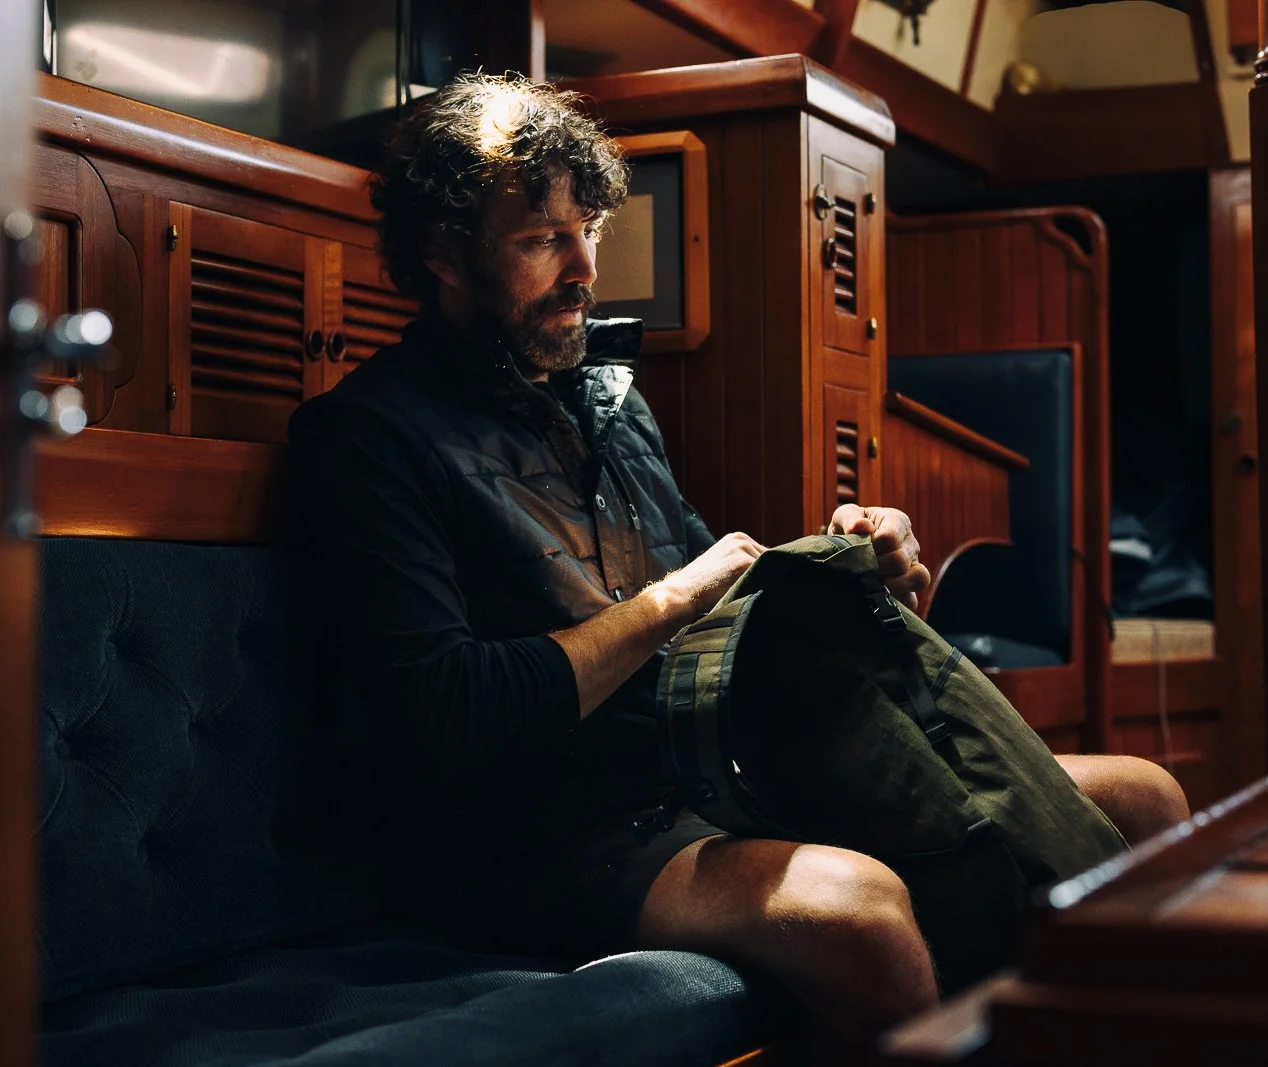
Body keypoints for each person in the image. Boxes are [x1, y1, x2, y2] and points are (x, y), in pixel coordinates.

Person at [287, 73, 1189, 1043]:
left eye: (589, 226)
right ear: (442, 253)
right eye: (542, 238)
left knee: (1145, 797)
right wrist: (673, 598)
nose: (586, 265)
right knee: (858, 916)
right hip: (537, 830)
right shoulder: (364, 439)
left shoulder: (609, 403)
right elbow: (444, 715)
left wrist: (862, 572)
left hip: (708, 766)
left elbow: (720, 622)